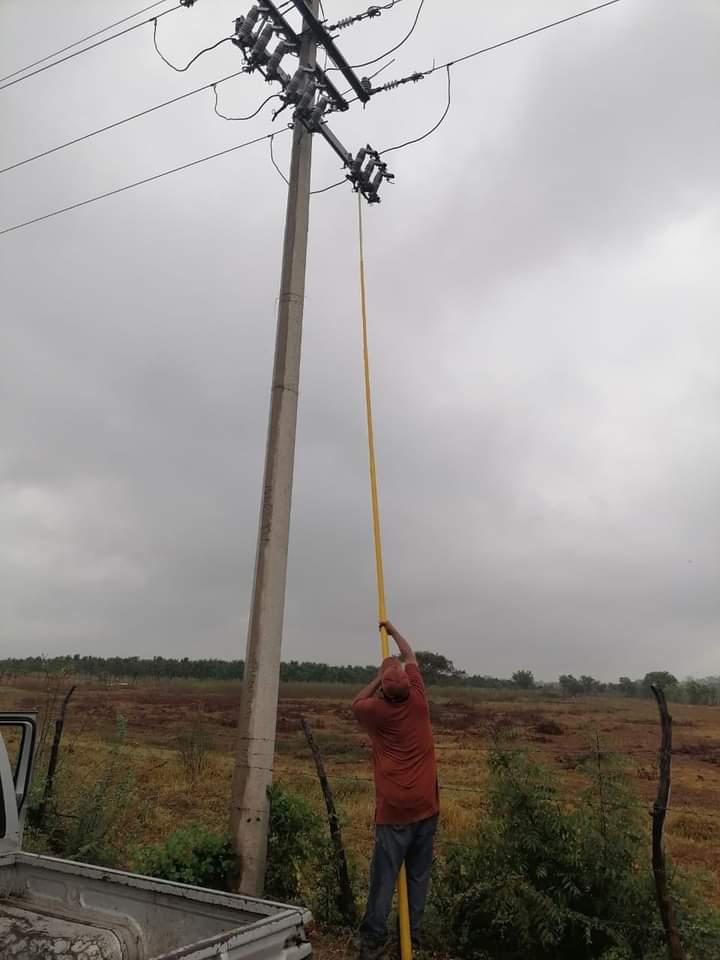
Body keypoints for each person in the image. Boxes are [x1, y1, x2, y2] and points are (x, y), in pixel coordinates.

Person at [351, 620, 439, 959]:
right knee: (418, 877)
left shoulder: (376, 711)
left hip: (394, 812)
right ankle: (411, 939)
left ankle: (372, 941)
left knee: (384, 879)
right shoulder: (419, 699)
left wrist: (379, 676)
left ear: (385, 692)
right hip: (427, 807)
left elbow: (357, 702)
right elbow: (410, 654)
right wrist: (393, 629)